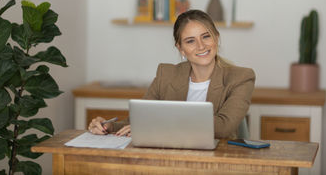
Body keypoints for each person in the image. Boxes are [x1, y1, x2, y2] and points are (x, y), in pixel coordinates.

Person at [88, 9, 255, 139]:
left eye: (206, 37)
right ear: (180, 48)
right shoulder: (166, 74)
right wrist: (108, 127)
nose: (201, 46)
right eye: (190, 41)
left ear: (216, 39)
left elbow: (223, 128)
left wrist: (155, 125)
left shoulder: (241, 78)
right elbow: (138, 122)